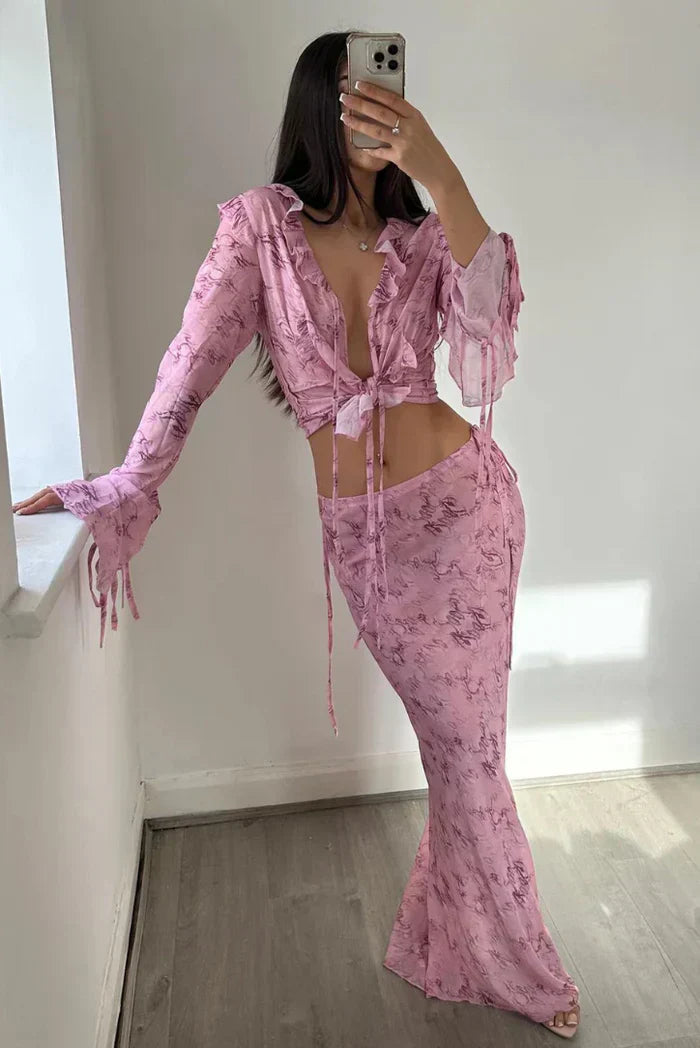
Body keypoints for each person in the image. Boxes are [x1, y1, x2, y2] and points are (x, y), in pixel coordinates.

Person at [12, 30, 580, 1038]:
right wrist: (126, 480)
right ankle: (454, 941)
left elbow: (489, 351)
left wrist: (440, 170)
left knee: (470, 751)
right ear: (321, 105)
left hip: (470, 512)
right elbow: (189, 365)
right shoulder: (257, 231)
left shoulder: (421, 234)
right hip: (372, 544)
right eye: (358, 96)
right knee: (459, 750)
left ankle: (512, 964)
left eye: (390, 96)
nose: (377, 112)